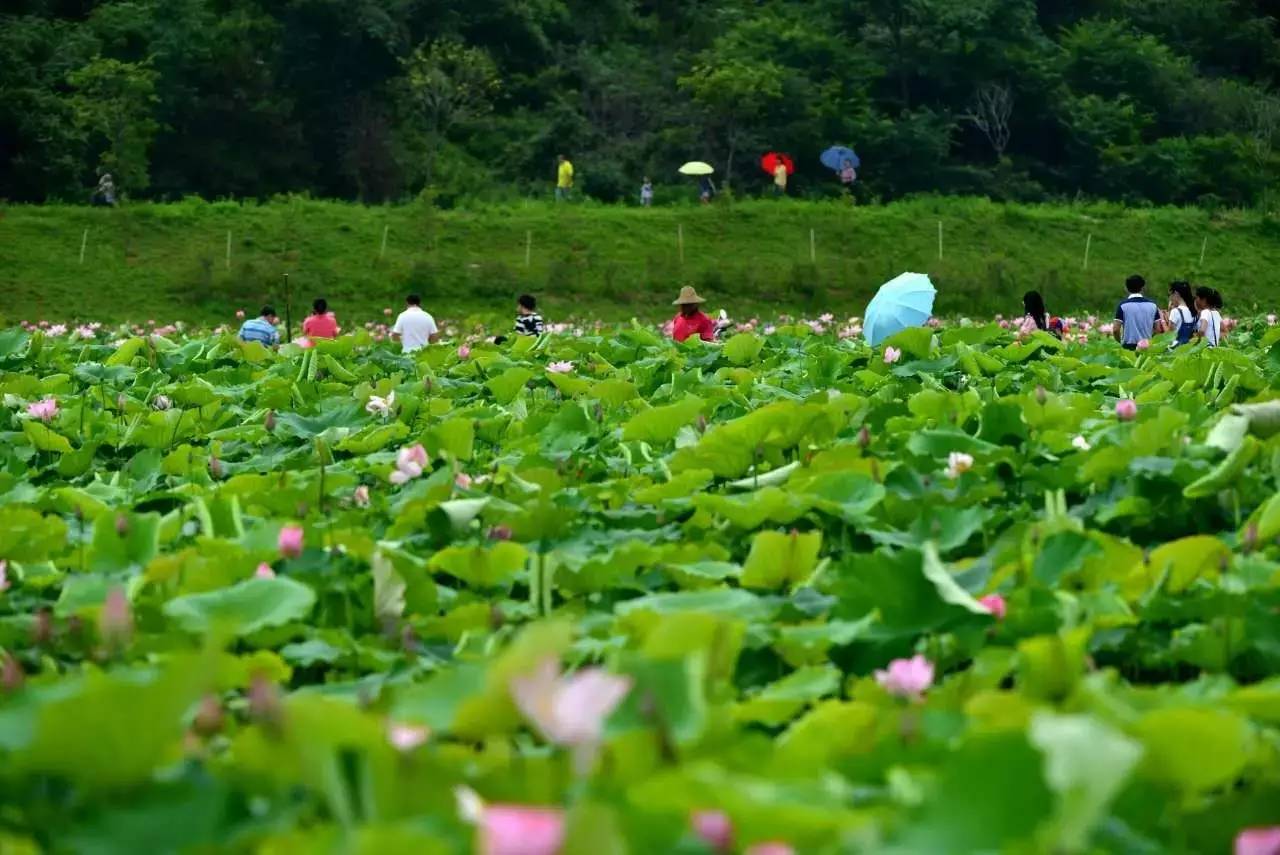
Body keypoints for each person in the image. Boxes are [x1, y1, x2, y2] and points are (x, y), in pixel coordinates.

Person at [1113, 274, 1158, 350]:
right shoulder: (1153, 305)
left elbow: (1115, 330)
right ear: (1143, 288)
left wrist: (1120, 342)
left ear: (1126, 288)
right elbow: (1158, 329)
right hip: (1147, 347)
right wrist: (1148, 341)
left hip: (1128, 346)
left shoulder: (1122, 305)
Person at [1167, 281, 1197, 349]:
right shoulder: (1192, 311)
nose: (1170, 299)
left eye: (1170, 295)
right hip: (1187, 348)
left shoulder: (1175, 311)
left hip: (1175, 349)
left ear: (1176, 293)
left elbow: (1169, 336)